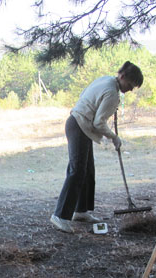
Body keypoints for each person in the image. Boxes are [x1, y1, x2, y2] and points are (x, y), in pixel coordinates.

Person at [50, 61, 143, 233]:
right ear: (122, 77)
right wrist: (114, 137)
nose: (130, 90)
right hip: (79, 125)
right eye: (130, 85)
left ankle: (81, 211)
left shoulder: (106, 80)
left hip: (79, 124)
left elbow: (85, 95)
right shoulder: (112, 93)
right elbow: (99, 122)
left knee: (87, 171)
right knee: (77, 171)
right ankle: (60, 216)